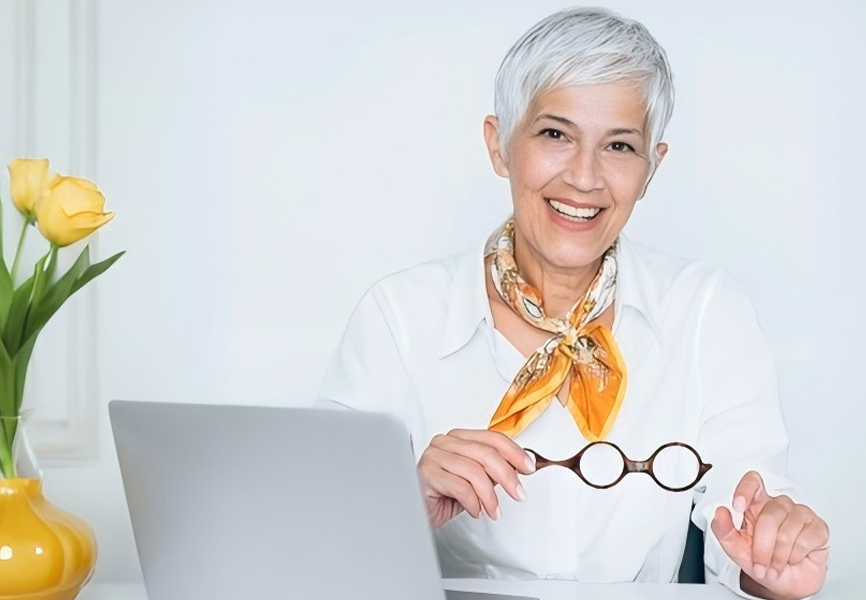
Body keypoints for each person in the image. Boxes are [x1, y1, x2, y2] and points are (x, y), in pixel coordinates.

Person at [316, 7, 829, 599]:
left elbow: (743, 522)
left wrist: (770, 562)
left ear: (651, 168)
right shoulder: (398, 318)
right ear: (499, 145)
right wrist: (402, 505)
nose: (585, 177)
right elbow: (315, 546)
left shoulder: (706, 311)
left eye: (618, 145)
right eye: (554, 134)